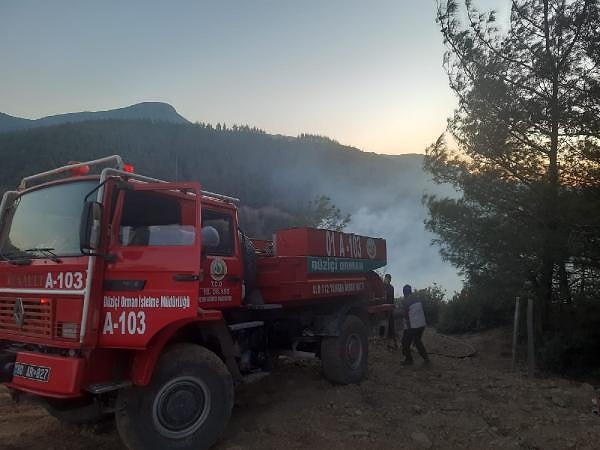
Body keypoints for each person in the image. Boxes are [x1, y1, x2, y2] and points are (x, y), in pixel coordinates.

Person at [400, 284, 430, 365]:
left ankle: (409, 360)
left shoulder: (405, 301)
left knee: (405, 342)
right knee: (417, 341)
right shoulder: (418, 299)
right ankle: (426, 358)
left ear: (404, 292)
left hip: (413, 326)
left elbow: (405, 315)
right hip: (422, 325)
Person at [383, 274, 398, 350]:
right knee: (384, 325)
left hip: (390, 308)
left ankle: (393, 343)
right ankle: (386, 341)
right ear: (385, 278)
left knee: (391, 326)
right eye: (387, 278)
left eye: (389, 279)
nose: (388, 280)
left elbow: (392, 299)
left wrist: (392, 307)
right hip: (382, 308)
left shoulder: (391, 288)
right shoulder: (381, 286)